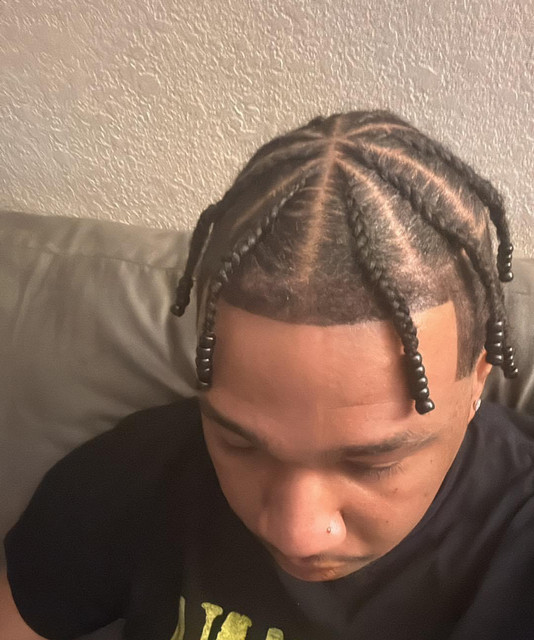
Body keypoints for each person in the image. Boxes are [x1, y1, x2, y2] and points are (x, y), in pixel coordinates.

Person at [1, 110, 533, 640]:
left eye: (374, 463)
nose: (297, 535)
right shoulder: (137, 472)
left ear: (478, 378)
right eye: (239, 445)